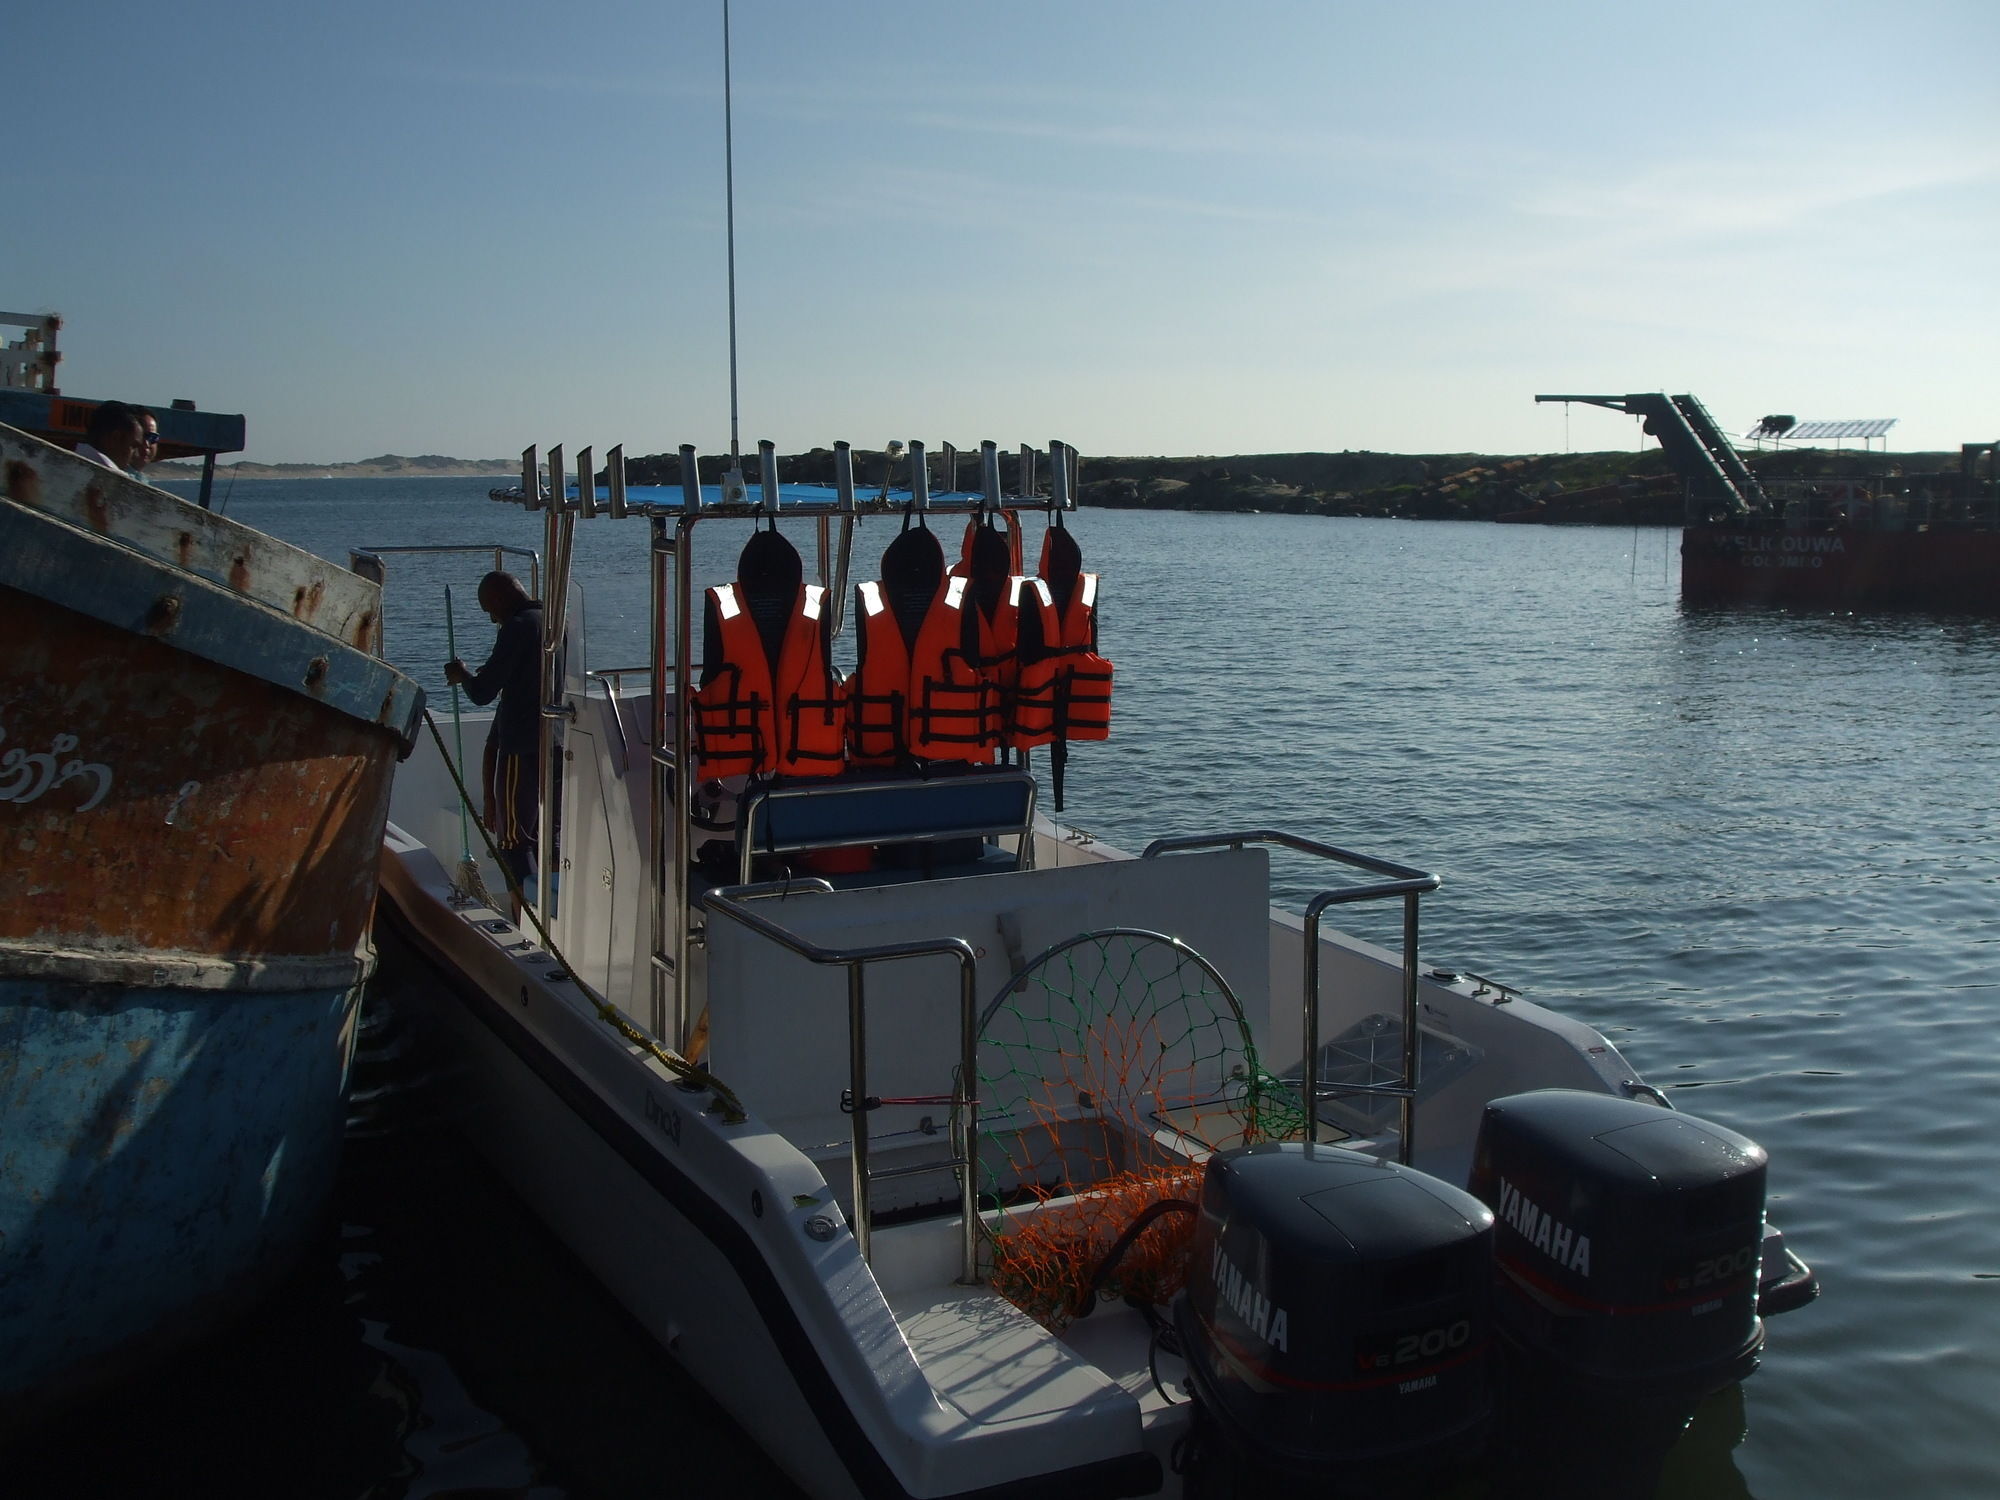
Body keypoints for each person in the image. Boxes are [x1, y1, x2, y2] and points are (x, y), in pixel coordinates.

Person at [444, 572, 545, 907]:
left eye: (490, 609)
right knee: (550, 836)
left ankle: (530, 919)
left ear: (500, 599)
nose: (491, 618)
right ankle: (553, 911)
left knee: (514, 842)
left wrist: (463, 676)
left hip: (521, 745)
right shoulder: (552, 619)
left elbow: (484, 692)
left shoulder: (516, 628)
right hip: (557, 742)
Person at [76, 401, 146, 476]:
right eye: (133, 446)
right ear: (115, 438)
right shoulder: (113, 477)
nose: (136, 454)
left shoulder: (70, 458)